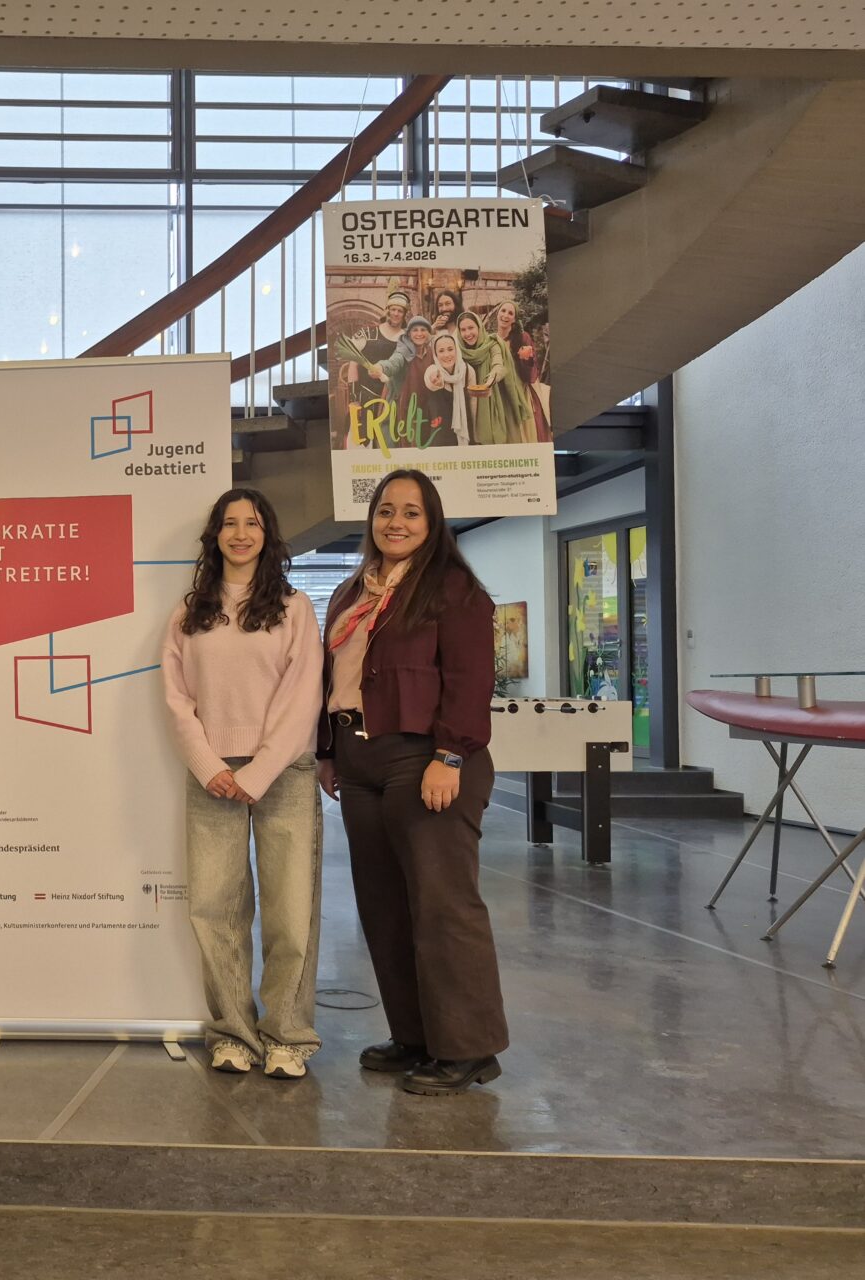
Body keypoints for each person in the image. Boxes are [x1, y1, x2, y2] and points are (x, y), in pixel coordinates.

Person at [315, 469, 508, 1096]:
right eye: (385, 510)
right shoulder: (351, 592)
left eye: (411, 512)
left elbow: (470, 679)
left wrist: (449, 755)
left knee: (442, 906)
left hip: (424, 757)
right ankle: (416, 1037)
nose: (395, 522)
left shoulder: (453, 589)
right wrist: (328, 752)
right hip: (359, 761)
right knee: (384, 907)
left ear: (432, 522)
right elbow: (333, 681)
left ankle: (467, 1048)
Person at [162, 488, 325, 1079]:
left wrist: (257, 771)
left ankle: (287, 1036)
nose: (240, 534)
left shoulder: (294, 608)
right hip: (211, 773)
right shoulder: (189, 614)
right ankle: (232, 1032)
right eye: (229, 524)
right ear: (215, 535)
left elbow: (302, 697)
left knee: (290, 909)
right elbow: (176, 699)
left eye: (251, 523)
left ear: (267, 534)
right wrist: (211, 767)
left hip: (284, 772)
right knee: (214, 907)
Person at [456, 310, 520, 446]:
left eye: (471, 328)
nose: (467, 333)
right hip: (466, 404)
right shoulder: (457, 350)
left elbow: (498, 365)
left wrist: (490, 380)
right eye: (463, 330)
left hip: (489, 400)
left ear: (479, 327)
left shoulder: (492, 344)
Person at [491, 300, 549, 442]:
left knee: (525, 436)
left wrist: (526, 359)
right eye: (503, 311)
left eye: (510, 313)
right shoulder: (491, 341)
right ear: (497, 314)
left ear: (514, 319)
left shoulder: (523, 338)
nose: (505, 315)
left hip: (521, 394)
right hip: (500, 396)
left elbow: (531, 375)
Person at [420, 333, 470, 447]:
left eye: (450, 349)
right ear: (436, 354)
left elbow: (474, 405)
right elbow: (430, 379)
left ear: (457, 350)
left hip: (464, 433)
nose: (447, 355)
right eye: (441, 351)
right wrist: (435, 382)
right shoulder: (433, 370)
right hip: (440, 437)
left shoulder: (467, 371)